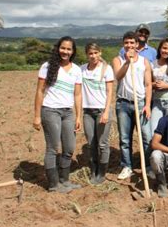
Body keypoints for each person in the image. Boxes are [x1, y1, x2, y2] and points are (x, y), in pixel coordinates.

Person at [33, 36, 82, 193]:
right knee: (53, 148)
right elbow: (40, 91)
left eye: (69, 49)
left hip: (67, 112)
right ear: (57, 49)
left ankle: (64, 180)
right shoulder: (47, 67)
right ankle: (54, 185)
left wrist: (79, 116)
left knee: (69, 148)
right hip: (50, 110)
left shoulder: (76, 70)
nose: (65, 51)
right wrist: (37, 115)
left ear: (73, 52)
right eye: (63, 48)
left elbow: (77, 95)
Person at [112, 31, 152, 180]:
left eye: (132, 43)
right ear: (123, 44)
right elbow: (118, 76)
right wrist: (128, 62)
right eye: (126, 43)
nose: (129, 45)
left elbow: (148, 85)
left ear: (137, 44)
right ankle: (126, 166)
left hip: (140, 103)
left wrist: (147, 104)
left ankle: (148, 166)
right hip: (123, 103)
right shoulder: (118, 60)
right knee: (124, 138)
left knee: (147, 137)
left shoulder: (144, 62)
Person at [81, 43, 114, 184]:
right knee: (91, 143)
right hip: (87, 111)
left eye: (95, 52)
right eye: (90, 53)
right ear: (87, 54)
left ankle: (102, 172)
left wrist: (106, 111)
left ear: (100, 52)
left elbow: (109, 92)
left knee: (102, 144)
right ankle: (93, 170)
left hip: (102, 110)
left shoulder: (106, 69)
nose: (93, 56)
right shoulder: (82, 69)